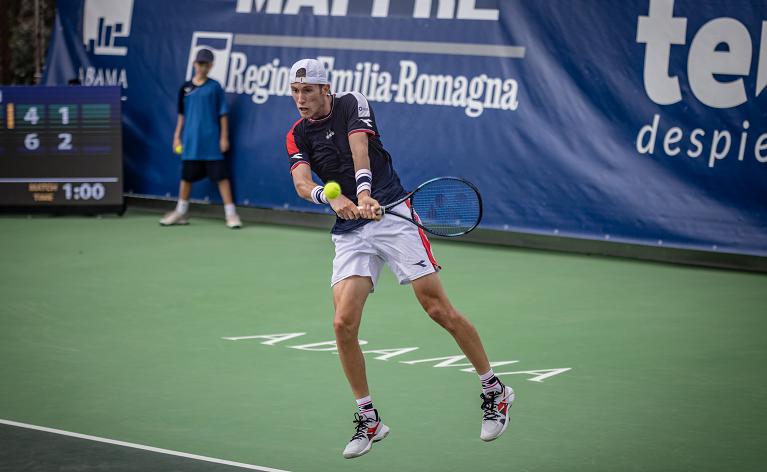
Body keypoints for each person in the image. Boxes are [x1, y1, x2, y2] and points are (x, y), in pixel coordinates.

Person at [284, 59, 514, 459]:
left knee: (437, 308)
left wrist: (365, 192)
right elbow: (303, 183)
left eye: (308, 91)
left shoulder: (351, 102)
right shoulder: (297, 134)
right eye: (295, 91)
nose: (301, 99)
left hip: (393, 215)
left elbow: (361, 151)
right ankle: (369, 419)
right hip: (351, 232)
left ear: (326, 89)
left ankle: (496, 390)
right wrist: (330, 197)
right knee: (342, 322)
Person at [160, 48, 242, 228]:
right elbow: (181, 116)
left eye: (206, 64)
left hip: (212, 142)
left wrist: (224, 138)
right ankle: (180, 212)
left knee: (222, 177)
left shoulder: (215, 87)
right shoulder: (185, 88)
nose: (202, 67)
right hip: (191, 143)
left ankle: (231, 214)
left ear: (211, 66)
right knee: (186, 178)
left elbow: (223, 114)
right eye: (200, 63)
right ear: (194, 64)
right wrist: (177, 137)